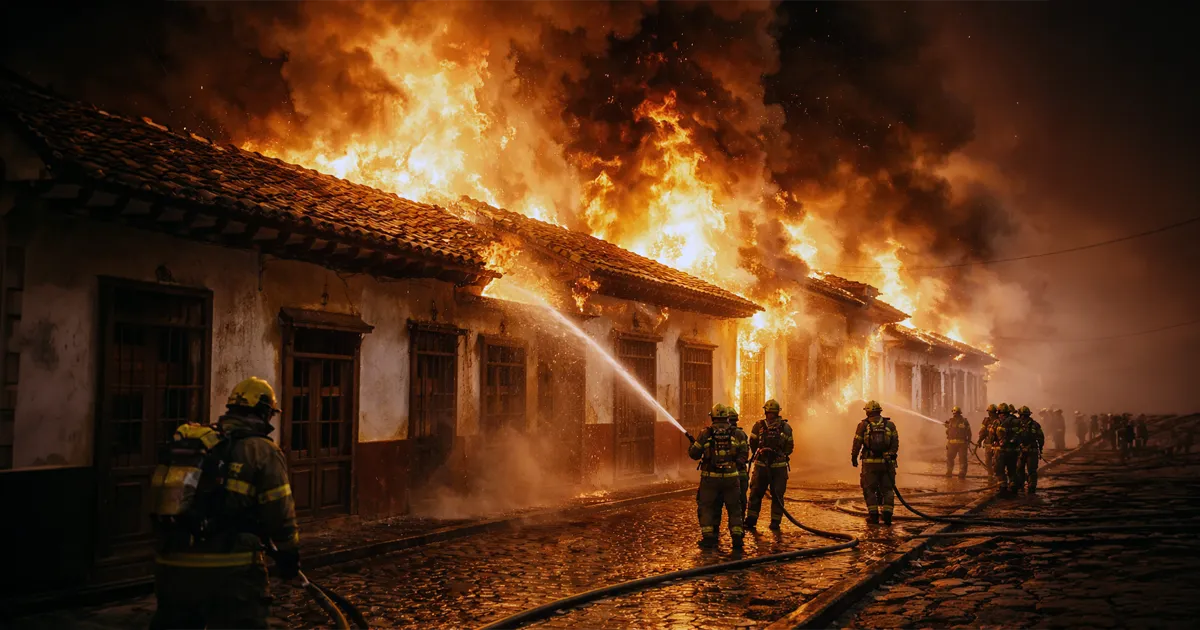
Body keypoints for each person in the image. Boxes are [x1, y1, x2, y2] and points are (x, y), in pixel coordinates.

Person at [152, 377, 300, 630]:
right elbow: (279, 512)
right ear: (265, 412)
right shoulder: (262, 450)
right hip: (232, 571)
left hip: (175, 567)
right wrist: (289, 555)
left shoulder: (202, 444)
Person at [689, 404, 749, 549]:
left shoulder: (706, 433)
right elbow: (744, 454)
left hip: (710, 479)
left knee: (707, 506)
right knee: (735, 508)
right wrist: (736, 463)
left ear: (713, 417)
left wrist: (695, 445)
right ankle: (737, 538)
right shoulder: (738, 433)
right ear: (727, 417)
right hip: (731, 478)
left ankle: (709, 537)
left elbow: (694, 454)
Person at [745, 399, 794, 531]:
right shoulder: (783, 427)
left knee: (767, 494)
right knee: (764, 493)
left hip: (769, 466)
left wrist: (763, 453)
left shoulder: (760, 426)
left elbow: (753, 444)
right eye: (770, 413)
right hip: (770, 466)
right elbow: (789, 447)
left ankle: (765, 521)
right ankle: (761, 521)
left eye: (771, 413)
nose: (770, 415)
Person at [851, 401, 899, 525]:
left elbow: (857, 443)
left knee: (869, 489)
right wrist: (889, 455)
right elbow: (895, 444)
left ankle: (874, 517)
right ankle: (887, 516)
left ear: (867, 412)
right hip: (887, 464)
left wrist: (854, 457)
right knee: (887, 489)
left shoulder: (863, 425)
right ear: (879, 411)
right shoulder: (890, 425)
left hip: (869, 464)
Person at [726, 406, 751, 524]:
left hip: (724, 475)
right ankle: (738, 525)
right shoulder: (741, 434)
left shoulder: (714, 433)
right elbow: (745, 453)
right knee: (740, 501)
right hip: (740, 473)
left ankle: (713, 531)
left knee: (717, 503)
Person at [992, 403, 1023, 496]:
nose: (1000, 415)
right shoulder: (998, 422)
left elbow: (1019, 434)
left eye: (1001, 413)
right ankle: (1007, 487)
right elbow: (992, 435)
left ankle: (1008, 487)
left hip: (1007, 451)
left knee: (1006, 469)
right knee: (1005, 469)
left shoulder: (1010, 422)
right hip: (1006, 451)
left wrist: (1011, 440)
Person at [1015, 406, 1045, 493]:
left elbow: (1040, 437)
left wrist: (1040, 447)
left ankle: (1028, 486)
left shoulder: (1032, 425)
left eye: (1021, 415)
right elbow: (1041, 438)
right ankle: (1025, 485)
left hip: (1029, 450)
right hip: (1026, 450)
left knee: (1027, 469)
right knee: (1022, 469)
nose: (1021, 417)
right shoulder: (1032, 424)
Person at [944, 406, 971, 479]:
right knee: (950, 458)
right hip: (951, 444)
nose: (954, 415)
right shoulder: (950, 421)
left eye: (956, 413)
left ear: (959, 413)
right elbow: (948, 432)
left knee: (962, 459)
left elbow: (969, 432)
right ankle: (949, 471)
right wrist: (947, 427)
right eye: (953, 413)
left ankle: (962, 472)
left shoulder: (964, 421)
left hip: (962, 444)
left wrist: (968, 442)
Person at [977, 404, 999, 483]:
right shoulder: (986, 420)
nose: (990, 414)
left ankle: (997, 476)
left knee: (996, 461)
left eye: (992, 412)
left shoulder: (1000, 420)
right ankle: (990, 475)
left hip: (997, 445)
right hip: (988, 444)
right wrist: (979, 440)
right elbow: (983, 431)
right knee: (988, 460)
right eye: (990, 412)